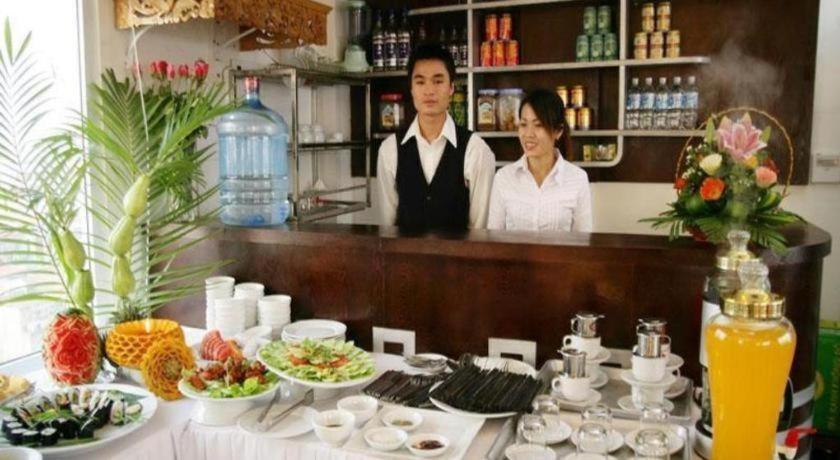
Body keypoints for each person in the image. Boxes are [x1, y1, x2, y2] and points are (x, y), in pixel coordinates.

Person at [376, 43, 496, 231]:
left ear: (451, 88)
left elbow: (479, 230)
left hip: (459, 251)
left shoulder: (476, 150)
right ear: (411, 89)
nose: (429, 91)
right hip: (405, 251)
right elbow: (388, 228)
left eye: (438, 81)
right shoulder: (389, 150)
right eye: (420, 82)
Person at [487, 89, 592, 232]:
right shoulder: (503, 178)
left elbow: (583, 241)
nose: (528, 134)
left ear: (558, 131)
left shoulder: (578, 179)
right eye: (523, 124)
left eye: (539, 125)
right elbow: (494, 239)